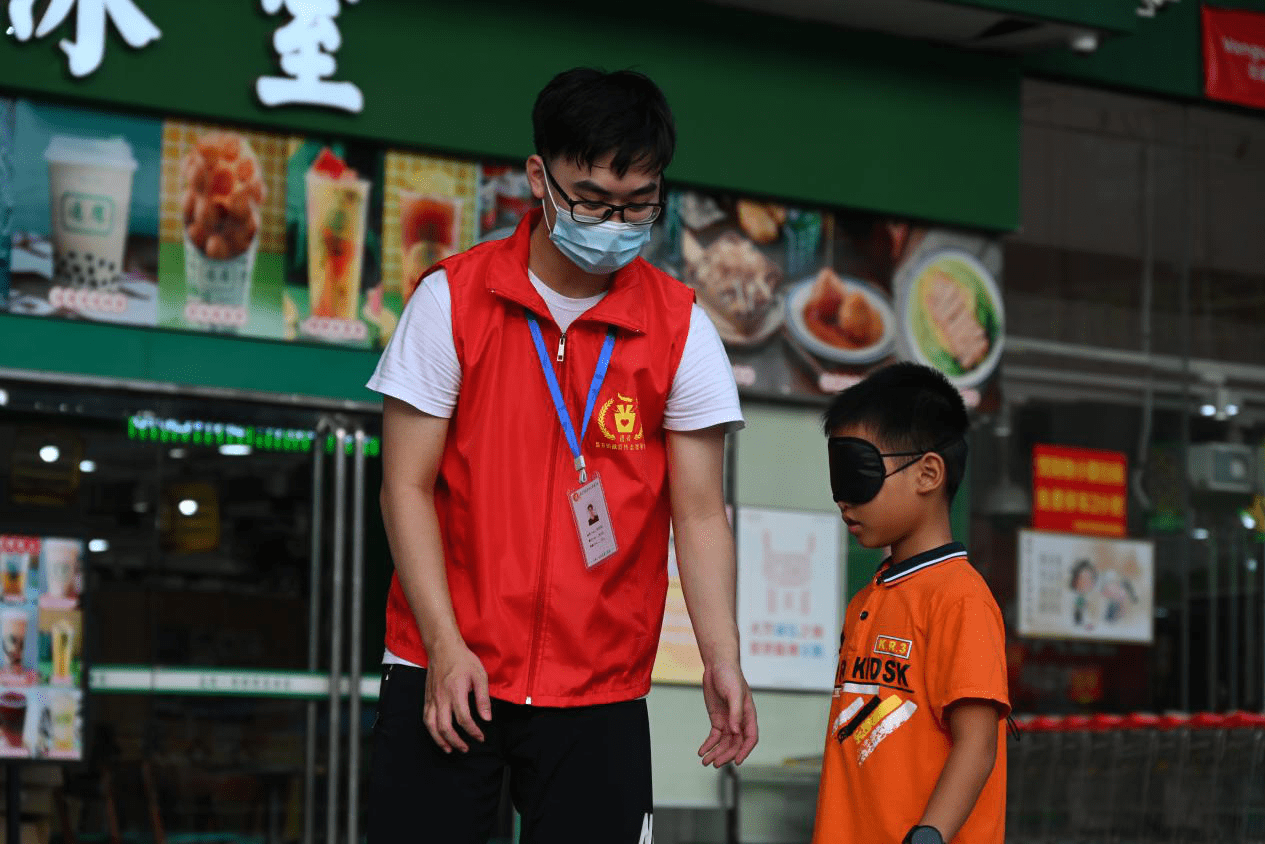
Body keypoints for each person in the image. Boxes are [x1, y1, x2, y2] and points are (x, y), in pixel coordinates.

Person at [366, 67, 758, 844]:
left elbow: (699, 512)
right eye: (590, 198)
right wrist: (444, 647)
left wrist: (722, 657)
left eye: (638, 203)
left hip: (599, 685)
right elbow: (403, 489)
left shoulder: (680, 329)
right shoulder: (451, 299)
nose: (613, 222)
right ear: (538, 178)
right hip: (447, 667)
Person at [811, 362, 1009, 844]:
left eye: (857, 472)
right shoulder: (868, 598)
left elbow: (978, 743)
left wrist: (929, 835)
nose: (843, 499)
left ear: (927, 473)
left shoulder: (961, 599)